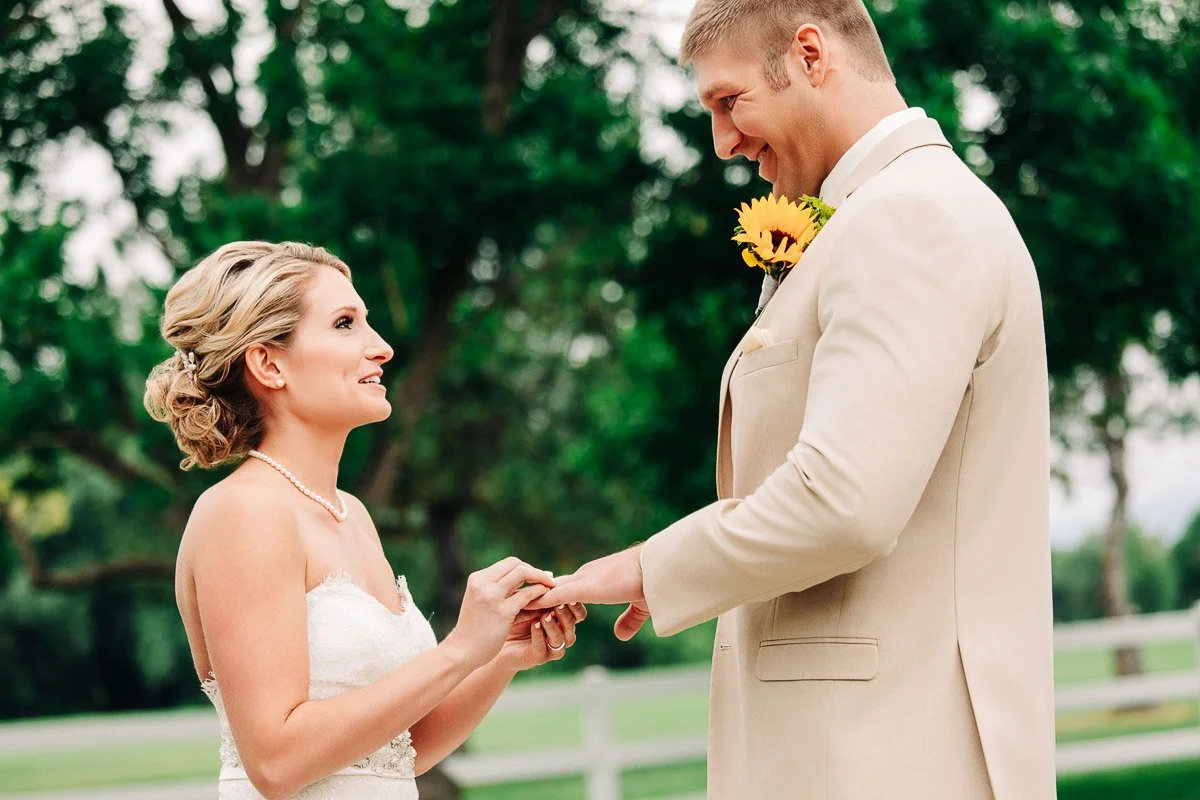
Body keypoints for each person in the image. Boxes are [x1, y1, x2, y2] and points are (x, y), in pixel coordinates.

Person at [533, 1, 1055, 798]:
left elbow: (843, 501)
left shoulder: (908, 218)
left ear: (811, 54)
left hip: (884, 757)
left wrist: (647, 568)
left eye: (728, 100)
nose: (723, 142)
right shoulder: (881, 216)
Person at [144, 241, 585, 800]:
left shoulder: (351, 515)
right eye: (345, 323)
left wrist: (497, 657)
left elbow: (398, 753)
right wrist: (456, 650)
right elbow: (276, 764)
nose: (381, 348)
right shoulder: (244, 511)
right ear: (269, 364)